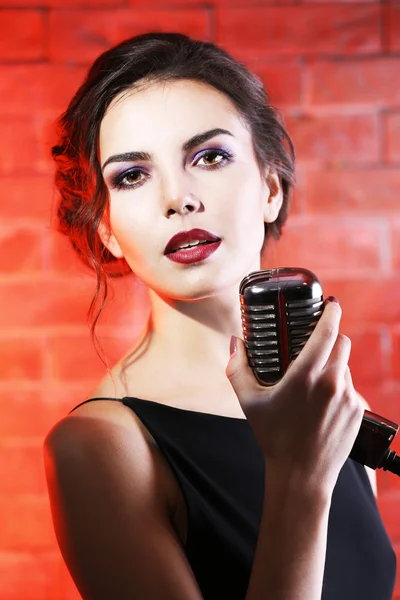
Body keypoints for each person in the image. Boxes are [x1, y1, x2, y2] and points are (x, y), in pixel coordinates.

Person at [43, 32, 396, 600]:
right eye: (132, 175)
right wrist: (298, 480)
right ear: (106, 230)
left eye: (209, 156)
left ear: (271, 188)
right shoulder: (99, 449)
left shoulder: (322, 396)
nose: (177, 198)